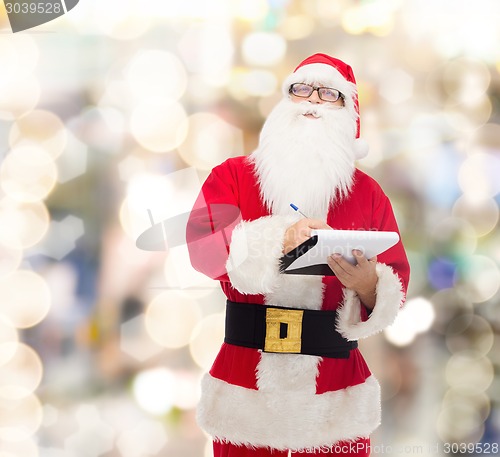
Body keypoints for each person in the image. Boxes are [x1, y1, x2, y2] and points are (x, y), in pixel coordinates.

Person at [186, 53, 410, 457]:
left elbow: (395, 280)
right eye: (301, 89)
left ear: (349, 114)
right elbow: (203, 251)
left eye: (330, 94)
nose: (312, 102)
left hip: (335, 394)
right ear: (283, 101)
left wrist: (368, 287)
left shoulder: (369, 194)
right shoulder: (232, 176)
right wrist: (277, 240)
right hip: (245, 387)